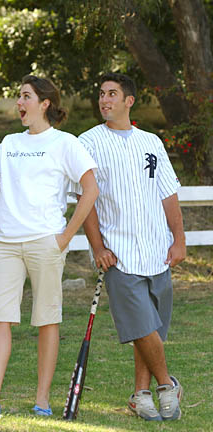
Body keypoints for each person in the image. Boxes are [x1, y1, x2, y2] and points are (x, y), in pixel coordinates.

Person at [0, 74, 98, 416]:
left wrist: (65, 236)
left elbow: (91, 190)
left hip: (46, 242)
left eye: (26, 96)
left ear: (45, 104)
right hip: (7, 244)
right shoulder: (11, 141)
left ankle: (42, 400)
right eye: (18, 96)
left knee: (47, 321)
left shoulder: (65, 143)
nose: (19, 103)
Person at [71, 72, 186, 421]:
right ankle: (168, 384)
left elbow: (168, 194)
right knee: (141, 326)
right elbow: (84, 200)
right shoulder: (87, 142)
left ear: (129, 101)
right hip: (118, 255)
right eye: (101, 94)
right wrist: (98, 247)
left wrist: (179, 240)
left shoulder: (151, 142)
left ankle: (140, 395)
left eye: (112, 94)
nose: (104, 100)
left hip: (157, 250)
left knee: (148, 329)